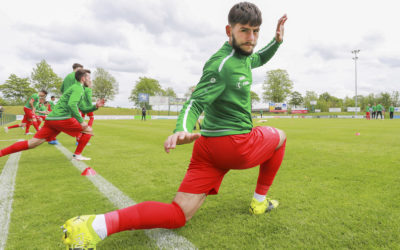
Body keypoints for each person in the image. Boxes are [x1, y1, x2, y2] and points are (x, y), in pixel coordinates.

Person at [61, 3, 287, 249]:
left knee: (178, 215)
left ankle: (95, 225)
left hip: (208, 149)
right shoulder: (222, 66)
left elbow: (258, 58)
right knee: (281, 137)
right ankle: (259, 202)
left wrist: (276, 42)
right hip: (236, 145)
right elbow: (196, 100)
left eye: (256, 31)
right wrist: (181, 128)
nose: (251, 38)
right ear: (228, 30)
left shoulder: (242, 57)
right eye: (245, 30)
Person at [0, 69, 105, 161]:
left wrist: (95, 106)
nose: (90, 80)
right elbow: (72, 104)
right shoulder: (78, 88)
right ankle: (77, 155)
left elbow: (82, 108)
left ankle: (1, 153)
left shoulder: (77, 88)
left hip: (51, 119)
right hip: (61, 118)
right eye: (89, 78)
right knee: (88, 130)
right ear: (83, 78)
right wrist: (81, 122)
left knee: (33, 143)